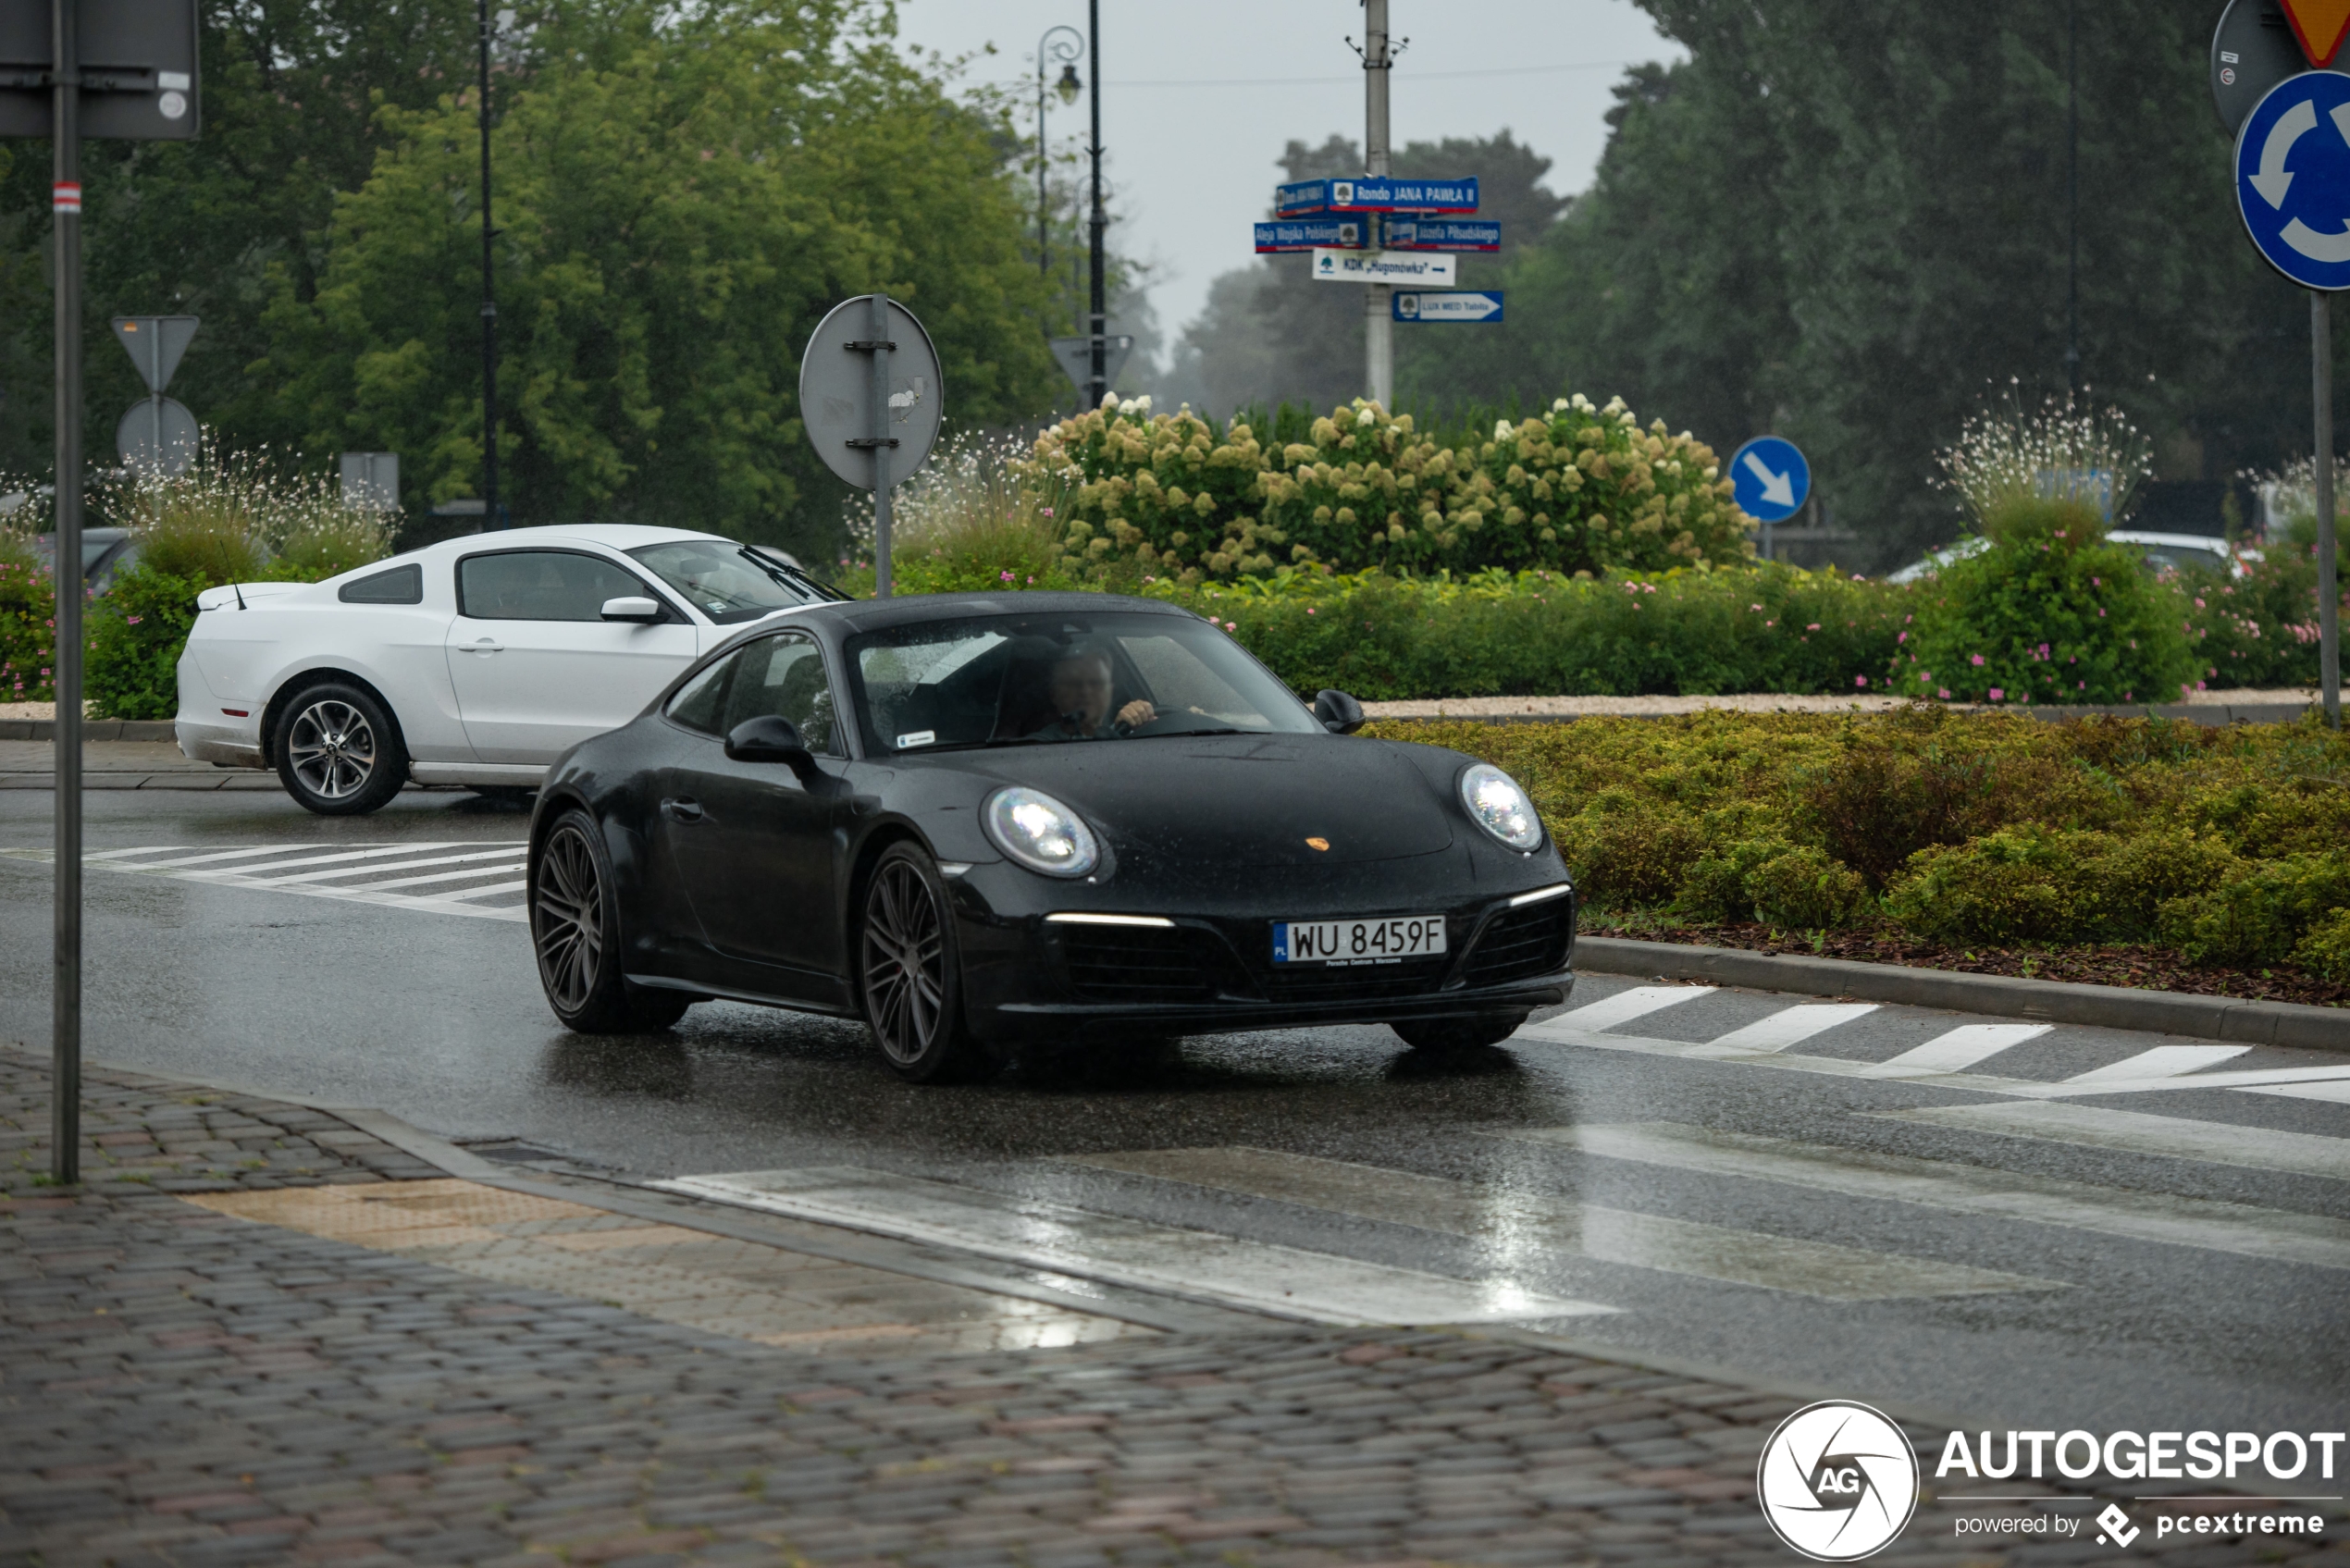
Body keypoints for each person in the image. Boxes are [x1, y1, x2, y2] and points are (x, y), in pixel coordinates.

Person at [1027, 646, 1156, 738]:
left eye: (1096, 683)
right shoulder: (1036, 746)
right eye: (1074, 684)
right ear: (1054, 694)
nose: (1086, 691)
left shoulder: (1129, 728)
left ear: (1110, 691)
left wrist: (1144, 723)